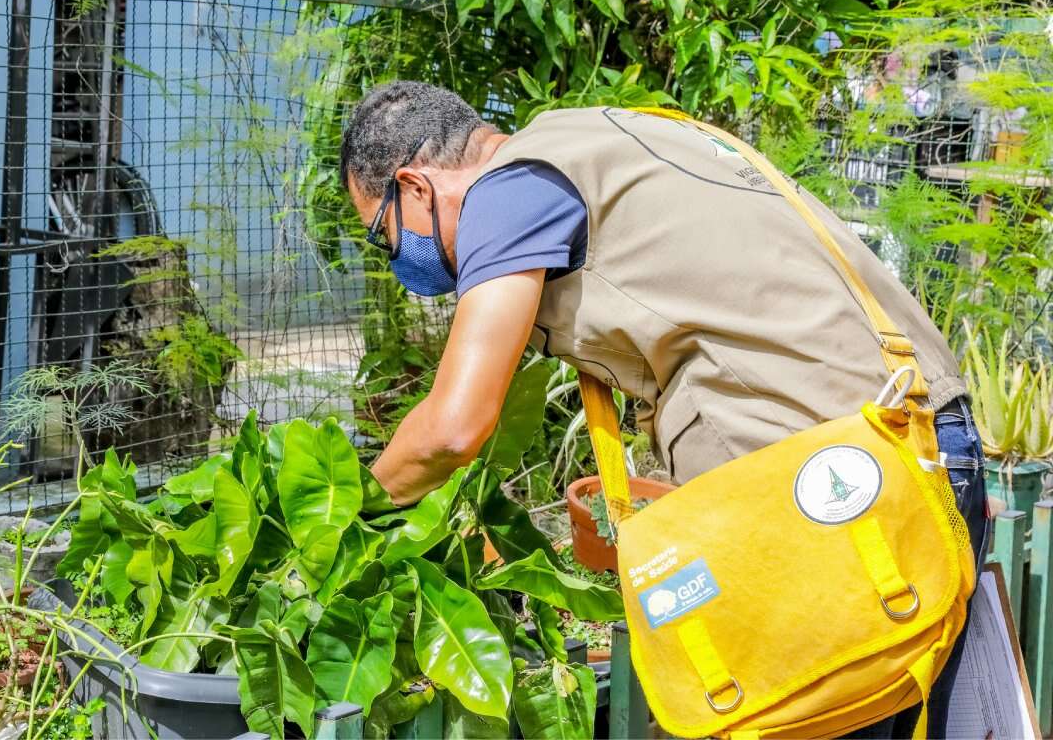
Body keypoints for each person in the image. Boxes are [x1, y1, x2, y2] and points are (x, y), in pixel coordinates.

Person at [340, 80, 988, 738]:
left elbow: (452, 428)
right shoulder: (606, 134)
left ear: (414, 186)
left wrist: (350, 513)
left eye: (384, 236)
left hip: (834, 491)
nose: (400, 261)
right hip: (914, 439)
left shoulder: (506, 192)